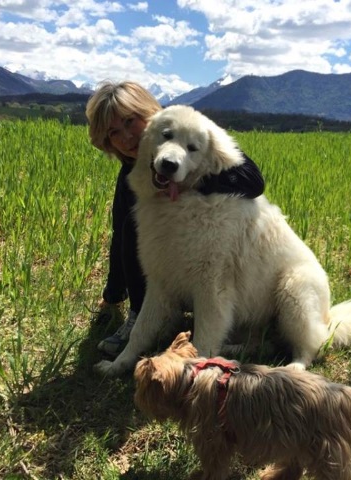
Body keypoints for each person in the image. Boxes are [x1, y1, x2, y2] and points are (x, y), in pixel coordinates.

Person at [85, 81, 265, 356]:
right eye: (113, 133)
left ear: (148, 113)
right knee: (130, 227)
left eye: (130, 121)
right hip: (172, 275)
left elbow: (253, 181)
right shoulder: (130, 173)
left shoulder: (191, 131)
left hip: (217, 267)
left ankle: (182, 326)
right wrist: (113, 295)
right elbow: (120, 238)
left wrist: (193, 182)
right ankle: (140, 312)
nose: (126, 137)